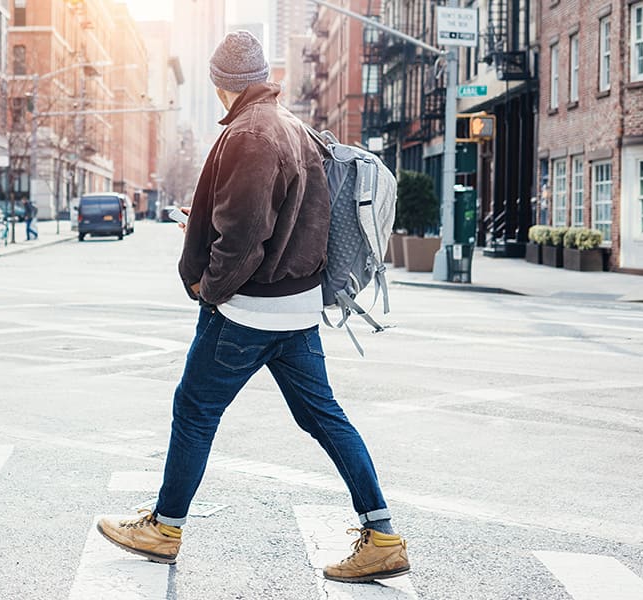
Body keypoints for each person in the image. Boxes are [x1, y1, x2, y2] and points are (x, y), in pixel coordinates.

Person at [96, 31, 410, 584]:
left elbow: (244, 236)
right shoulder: (291, 126)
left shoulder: (250, 135)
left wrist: (208, 289)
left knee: (194, 411)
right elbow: (284, 217)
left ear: (222, 85)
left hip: (248, 310)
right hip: (296, 308)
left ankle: (165, 528)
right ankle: (382, 534)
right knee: (324, 417)